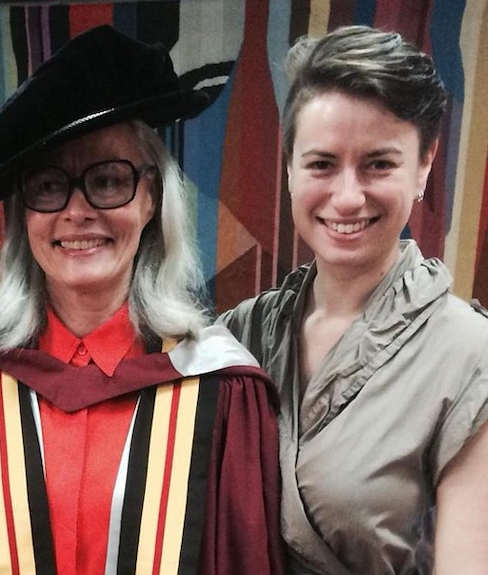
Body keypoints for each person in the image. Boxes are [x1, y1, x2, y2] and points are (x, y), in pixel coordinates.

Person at [0, 25, 284, 575]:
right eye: (47, 185)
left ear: (152, 199)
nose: (77, 211)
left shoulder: (221, 389)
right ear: (24, 216)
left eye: (109, 180)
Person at [218, 25, 488, 574]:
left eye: (378, 164)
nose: (347, 197)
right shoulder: (237, 336)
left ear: (425, 165)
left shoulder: (469, 357)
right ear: (290, 165)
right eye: (321, 164)